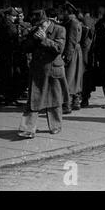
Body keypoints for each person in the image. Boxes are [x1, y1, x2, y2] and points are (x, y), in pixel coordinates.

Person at [18, 10, 69, 139]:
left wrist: (44, 39)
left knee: (55, 98)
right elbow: (24, 48)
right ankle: (27, 129)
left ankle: (55, 126)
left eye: (41, 24)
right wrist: (33, 40)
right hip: (38, 70)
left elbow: (59, 48)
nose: (39, 27)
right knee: (33, 99)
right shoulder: (34, 30)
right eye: (37, 24)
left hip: (54, 69)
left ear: (47, 22)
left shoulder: (60, 29)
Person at [60, 1, 84, 113]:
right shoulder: (72, 21)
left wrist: (67, 56)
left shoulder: (72, 22)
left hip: (72, 51)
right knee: (74, 78)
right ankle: (75, 102)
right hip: (74, 51)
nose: (61, 14)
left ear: (66, 11)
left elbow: (71, 40)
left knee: (70, 77)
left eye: (62, 11)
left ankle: (67, 104)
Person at [0, 7, 21, 106]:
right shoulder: (9, 26)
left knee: (5, 76)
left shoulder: (2, 25)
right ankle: (10, 98)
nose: (15, 18)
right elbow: (14, 41)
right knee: (11, 76)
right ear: (7, 16)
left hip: (4, 54)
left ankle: (5, 97)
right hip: (10, 55)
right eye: (13, 16)